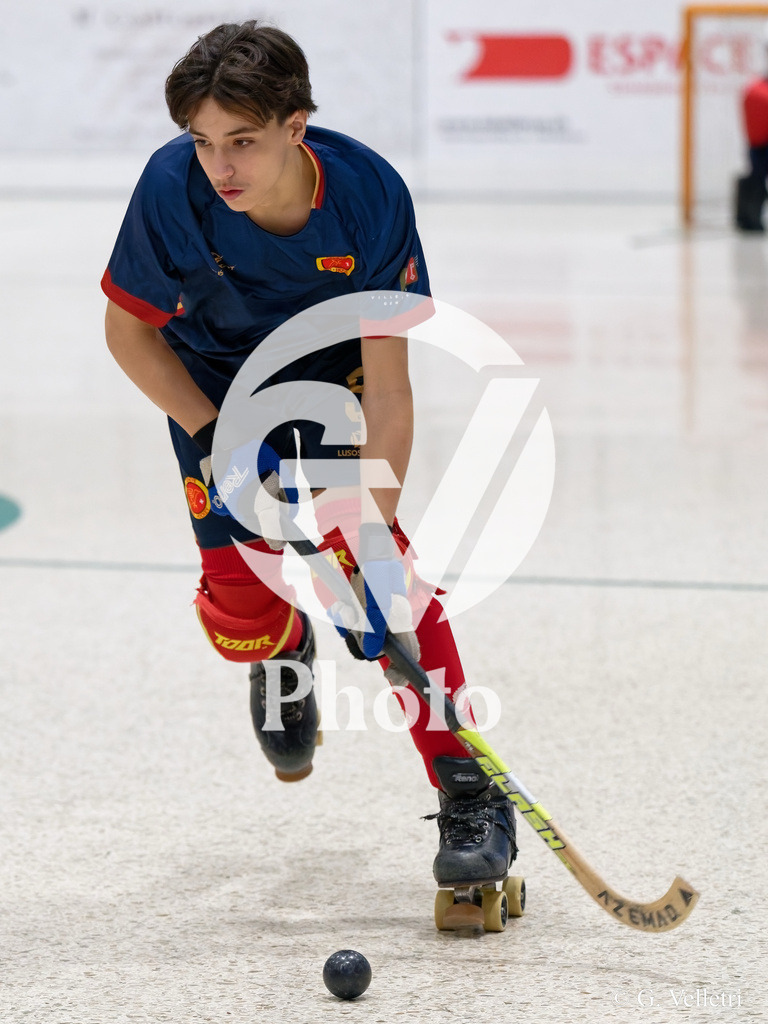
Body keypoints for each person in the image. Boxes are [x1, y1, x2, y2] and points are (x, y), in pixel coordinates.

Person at [101, 21, 515, 895]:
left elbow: (394, 390)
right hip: (210, 388)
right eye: (204, 143)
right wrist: (215, 434)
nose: (221, 167)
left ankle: (470, 790)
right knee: (240, 601)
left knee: (386, 585)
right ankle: (282, 652)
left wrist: (373, 520)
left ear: (297, 125)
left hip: (336, 380)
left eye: (242, 141)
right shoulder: (171, 189)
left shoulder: (369, 197)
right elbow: (129, 329)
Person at [736, 55, 768, 231]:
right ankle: (750, 218)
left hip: (756, 144)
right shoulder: (758, 91)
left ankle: (749, 218)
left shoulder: (753, 90)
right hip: (760, 144)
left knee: (755, 180)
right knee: (755, 182)